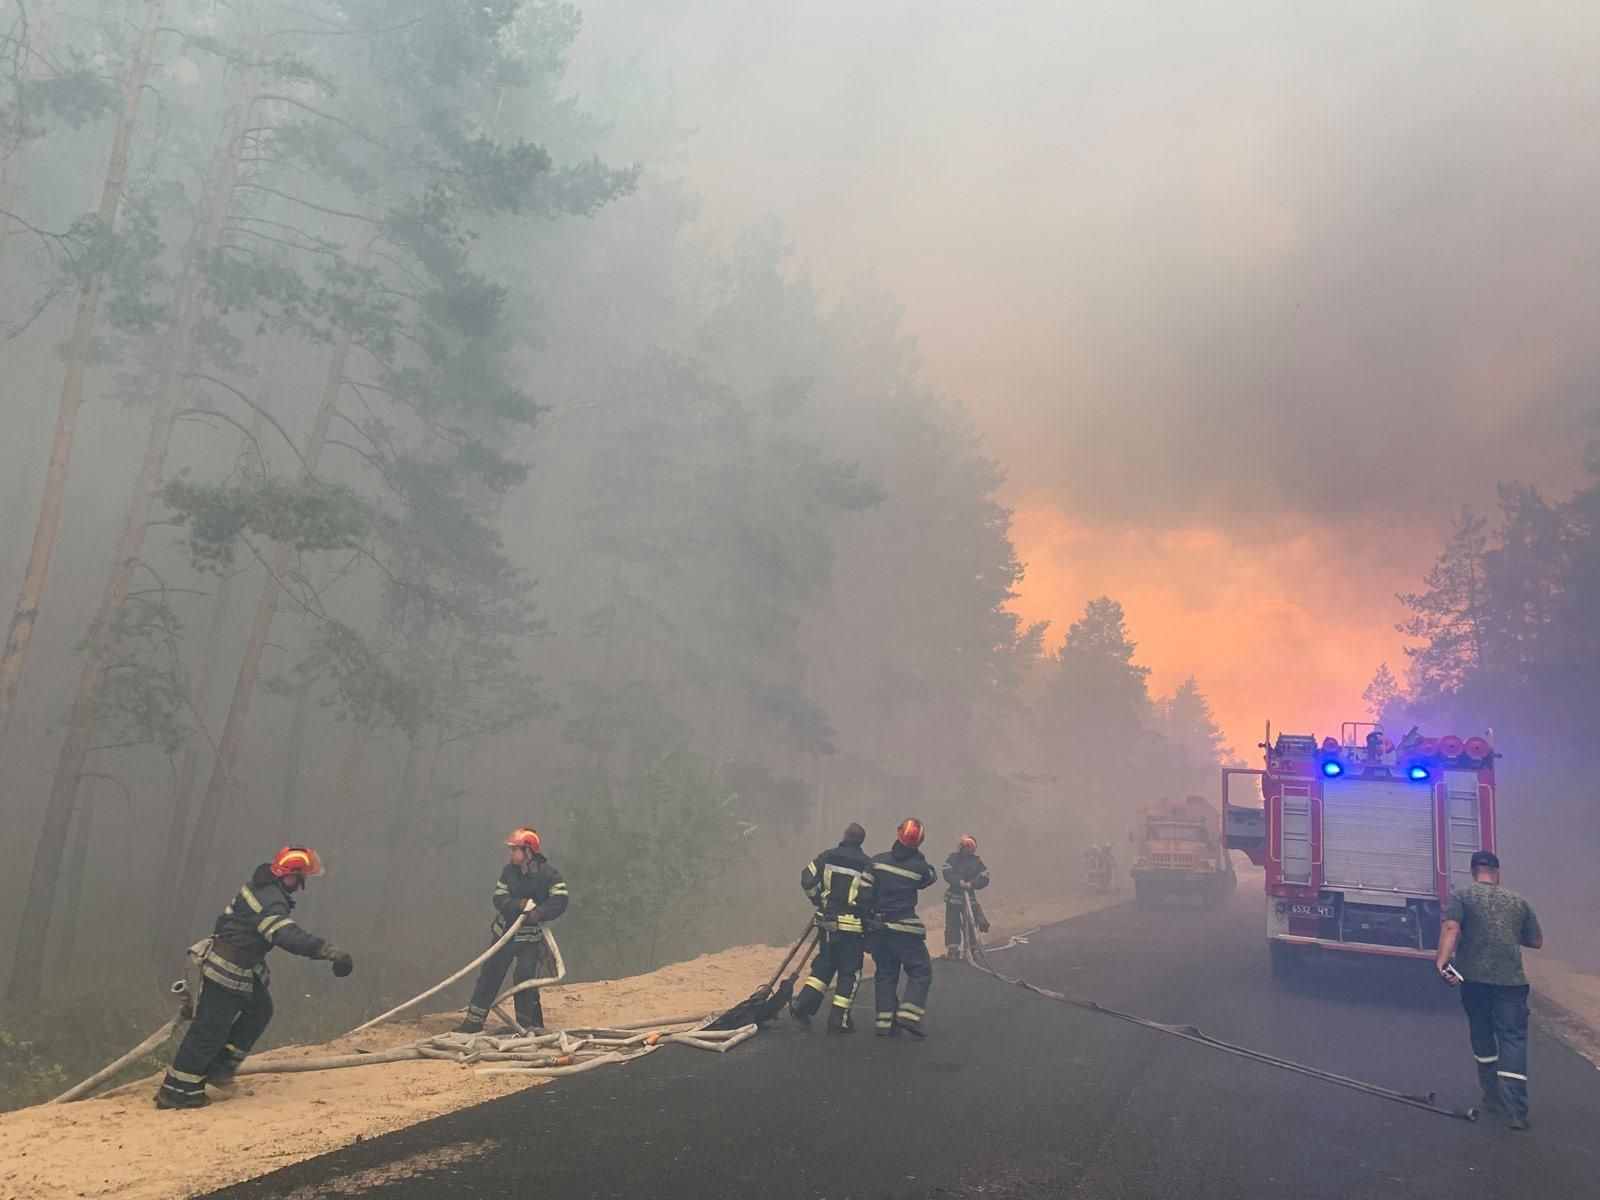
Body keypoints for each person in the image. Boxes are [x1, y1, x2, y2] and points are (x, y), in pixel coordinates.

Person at [156, 846, 353, 1109]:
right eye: (300, 878)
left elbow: (225, 921)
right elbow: (286, 936)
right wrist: (329, 952)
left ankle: (220, 1068)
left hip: (242, 966)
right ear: (290, 875)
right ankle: (177, 1090)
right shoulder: (271, 900)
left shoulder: (260, 887)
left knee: (260, 1010)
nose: (300, 885)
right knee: (209, 1029)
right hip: (228, 968)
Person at [1436, 850, 1544, 1130]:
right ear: (1498, 873)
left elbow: (1451, 928)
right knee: (1513, 1040)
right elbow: (1536, 941)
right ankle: (1517, 1112)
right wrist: (1508, 933)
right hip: (1512, 984)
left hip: (1474, 982)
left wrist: (1442, 961)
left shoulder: (1463, 896)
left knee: (1482, 1034)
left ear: (1473, 871)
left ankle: (1492, 1096)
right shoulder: (1518, 901)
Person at [457, 827, 569, 1034]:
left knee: (525, 981)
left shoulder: (549, 875)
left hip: (530, 940)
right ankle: (473, 1023)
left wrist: (540, 912)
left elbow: (560, 900)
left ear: (528, 852)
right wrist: (519, 904)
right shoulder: (509, 872)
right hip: (504, 936)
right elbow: (499, 898)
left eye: (515, 849)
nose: (511, 853)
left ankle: (528, 1027)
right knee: (490, 975)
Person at [790, 822, 874, 1033]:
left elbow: (807, 878)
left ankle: (802, 1005)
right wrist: (869, 924)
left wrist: (817, 899)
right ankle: (839, 1019)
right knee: (849, 972)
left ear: (844, 836)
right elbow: (867, 897)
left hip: (827, 923)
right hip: (851, 927)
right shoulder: (866, 864)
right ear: (861, 841)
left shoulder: (827, 856)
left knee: (825, 967)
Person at [865, 818, 938, 1037]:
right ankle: (909, 1016)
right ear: (920, 841)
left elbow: (863, 893)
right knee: (920, 969)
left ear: (898, 834)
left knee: (886, 973)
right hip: (904, 929)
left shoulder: (876, 862)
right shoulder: (919, 867)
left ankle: (884, 1023)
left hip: (878, 928)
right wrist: (918, 856)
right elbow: (930, 878)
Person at [942, 835, 990, 960]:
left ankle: (973, 948)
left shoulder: (976, 862)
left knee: (971, 922)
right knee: (953, 923)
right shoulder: (952, 859)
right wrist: (959, 881)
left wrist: (972, 883)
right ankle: (953, 949)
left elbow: (985, 877)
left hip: (970, 898)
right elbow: (946, 872)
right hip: (954, 897)